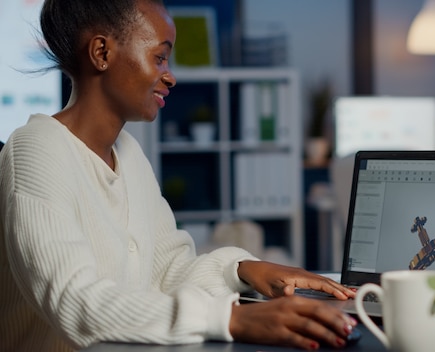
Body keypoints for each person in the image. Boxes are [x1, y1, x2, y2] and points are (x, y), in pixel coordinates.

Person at [0, 0, 357, 351]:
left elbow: (167, 271)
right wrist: (233, 319)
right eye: (159, 57)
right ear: (101, 53)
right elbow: (76, 303)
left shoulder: (128, 153)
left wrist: (245, 269)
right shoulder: (36, 149)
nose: (170, 76)